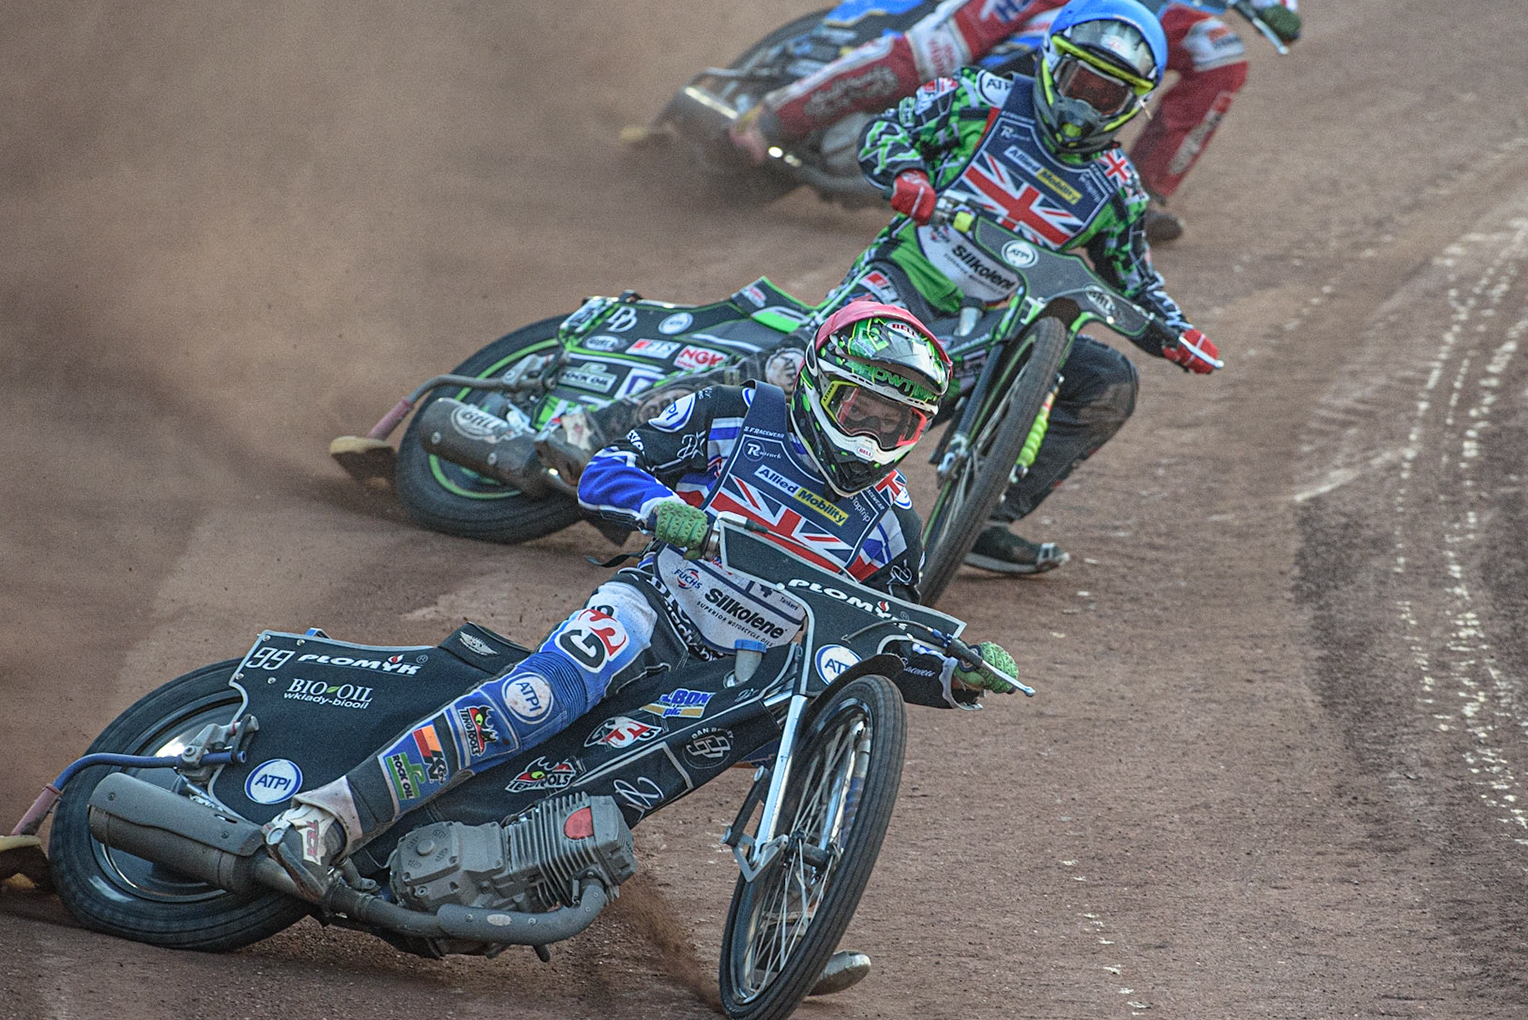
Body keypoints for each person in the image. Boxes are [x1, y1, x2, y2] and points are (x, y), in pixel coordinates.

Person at [265, 301, 1020, 917]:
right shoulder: (732, 413)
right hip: (652, 609)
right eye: (859, 406)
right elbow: (605, 471)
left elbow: (888, 645)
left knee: (789, 741)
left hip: (738, 682)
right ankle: (326, 816)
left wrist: (960, 674)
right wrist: (663, 510)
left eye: (894, 423)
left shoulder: (893, 526)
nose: (870, 431)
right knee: (540, 697)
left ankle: (796, 915)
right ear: (821, 384)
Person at [551, 0, 1218, 576]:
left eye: (1106, 95)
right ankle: (605, 432)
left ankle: (984, 514)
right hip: (908, 274)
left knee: (1108, 381)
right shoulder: (982, 99)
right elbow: (891, 130)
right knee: (795, 370)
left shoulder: (1119, 188)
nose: (1083, 102)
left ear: (1130, 104)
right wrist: (907, 178)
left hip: (1001, 324)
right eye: (1079, 79)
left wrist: (1177, 332)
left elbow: (1134, 275)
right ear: (1051, 61)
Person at [730, 0, 1300, 242]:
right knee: (934, 52)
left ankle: (1138, 198)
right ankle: (778, 114)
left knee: (1220, 51)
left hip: (1147, 0)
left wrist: (1279, 1)